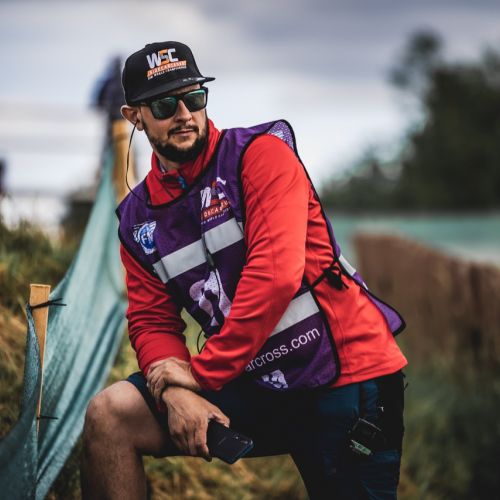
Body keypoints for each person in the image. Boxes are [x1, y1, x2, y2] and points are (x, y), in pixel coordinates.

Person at [80, 41, 408, 500]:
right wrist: (172, 391)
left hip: (344, 377)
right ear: (134, 116)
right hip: (254, 380)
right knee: (111, 415)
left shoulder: (261, 156)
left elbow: (275, 278)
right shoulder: (137, 219)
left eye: (194, 97)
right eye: (165, 105)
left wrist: (200, 375)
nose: (184, 114)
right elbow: (151, 320)